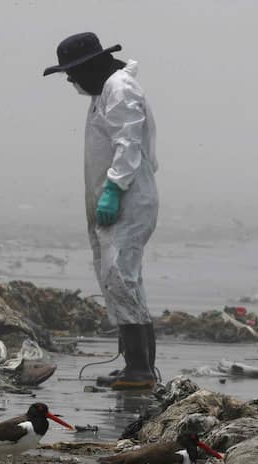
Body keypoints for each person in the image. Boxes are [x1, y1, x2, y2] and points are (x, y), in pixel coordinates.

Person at [44, 32, 159, 390]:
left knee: (120, 277)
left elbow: (128, 145)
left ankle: (140, 369)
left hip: (127, 199)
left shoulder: (120, 89)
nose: (70, 79)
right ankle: (135, 366)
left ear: (91, 66)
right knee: (118, 279)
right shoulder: (104, 92)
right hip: (113, 199)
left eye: (72, 72)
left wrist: (113, 190)